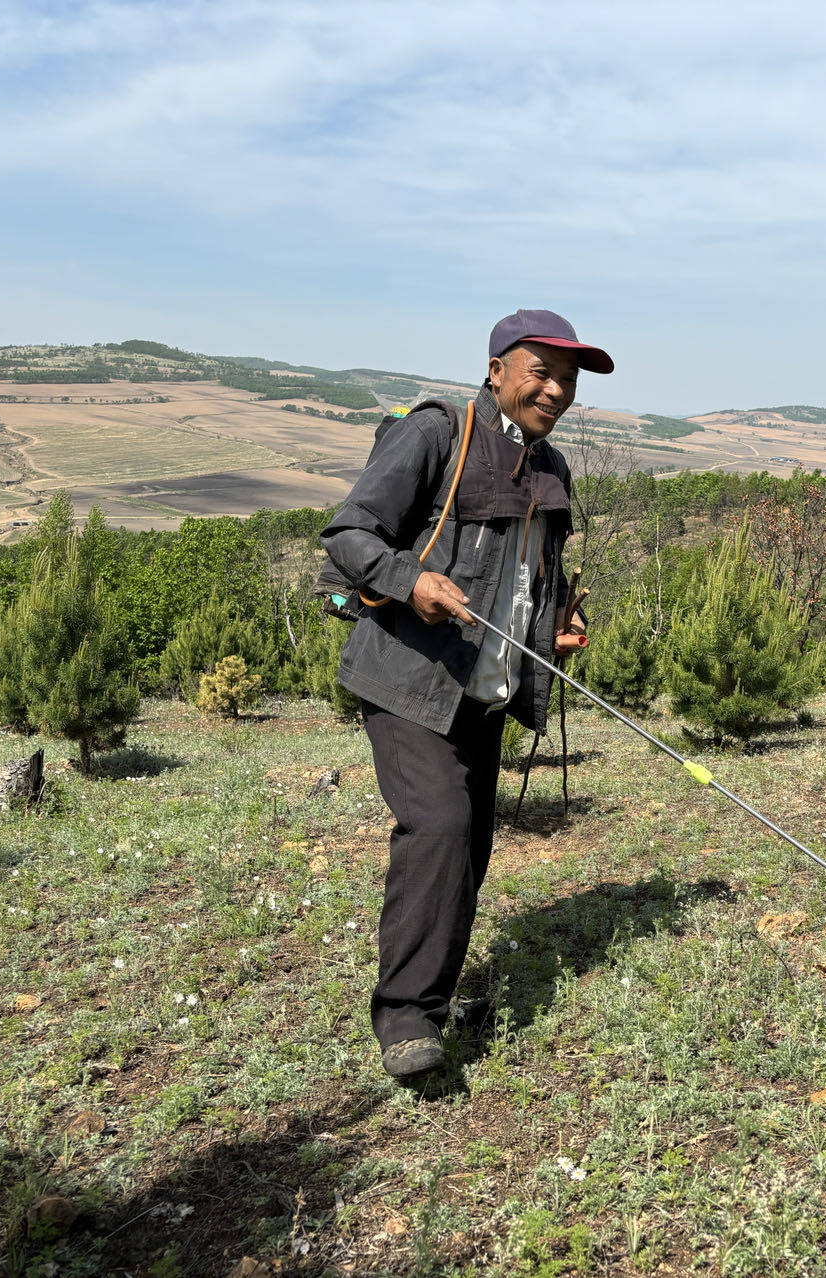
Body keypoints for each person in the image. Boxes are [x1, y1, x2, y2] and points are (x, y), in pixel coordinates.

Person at [322, 309, 609, 1078]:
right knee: (442, 824)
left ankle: (430, 991)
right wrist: (408, 581)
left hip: (485, 690)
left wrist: (554, 627)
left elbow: (525, 580)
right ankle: (408, 1017)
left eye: (568, 380)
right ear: (495, 370)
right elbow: (349, 535)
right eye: (541, 371)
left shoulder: (554, 469)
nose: (556, 390)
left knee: (467, 848)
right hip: (409, 678)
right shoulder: (436, 433)